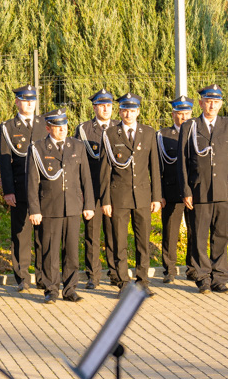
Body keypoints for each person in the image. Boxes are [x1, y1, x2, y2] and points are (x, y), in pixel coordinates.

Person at [178, 84, 228, 294]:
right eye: (208, 101)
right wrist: (186, 191)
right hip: (200, 191)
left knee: (221, 235)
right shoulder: (190, 126)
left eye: (216, 101)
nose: (212, 105)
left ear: (221, 104)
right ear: (200, 103)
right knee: (198, 236)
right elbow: (183, 162)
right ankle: (203, 277)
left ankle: (219, 278)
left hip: (224, 190)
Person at [27, 108, 94, 304]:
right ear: (48, 128)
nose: (62, 129)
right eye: (57, 126)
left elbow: (86, 179)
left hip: (72, 206)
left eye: (64, 125)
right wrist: (35, 209)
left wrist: (88, 204)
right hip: (49, 208)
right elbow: (31, 182)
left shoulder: (77, 146)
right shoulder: (38, 148)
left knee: (72, 251)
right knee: (50, 251)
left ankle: (70, 289)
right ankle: (51, 289)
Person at [100, 92, 161, 295]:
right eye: (125, 110)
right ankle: (124, 282)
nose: (129, 114)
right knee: (120, 241)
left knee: (143, 240)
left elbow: (155, 168)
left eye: (132, 110)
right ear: (120, 111)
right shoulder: (109, 134)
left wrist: (156, 197)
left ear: (138, 111)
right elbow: (105, 170)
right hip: (119, 196)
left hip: (143, 196)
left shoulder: (149, 133)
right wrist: (106, 200)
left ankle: (143, 281)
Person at [0, 85, 46, 292]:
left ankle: (44, 276)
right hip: (20, 188)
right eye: (25, 100)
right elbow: (5, 160)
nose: (29, 104)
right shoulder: (8, 127)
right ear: (17, 102)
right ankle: (22, 278)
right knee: (21, 235)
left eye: (32, 100)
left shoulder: (45, 124)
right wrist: (8, 190)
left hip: (45, 189)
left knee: (44, 235)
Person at [74, 88, 118, 289]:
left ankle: (116, 273)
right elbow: (77, 162)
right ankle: (93, 275)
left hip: (115, 190)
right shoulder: (83, 129)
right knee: (92, 234)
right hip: (91, 189)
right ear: (94, 107)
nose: (106, 109)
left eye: (109, 105)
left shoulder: (119, 127)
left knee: (114, 233)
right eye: (102, 105)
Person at [156, 95, 194, 283]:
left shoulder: (197, 133)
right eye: (179, 113)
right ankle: (169, 270)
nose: (183, 117)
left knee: (195, 231)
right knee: (170, 232)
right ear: (173, 115)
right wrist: (160, 194)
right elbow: (158, 167)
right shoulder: (162, 135)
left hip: (194, 192)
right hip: (171, 191)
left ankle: (192, 268)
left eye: (186, 113)